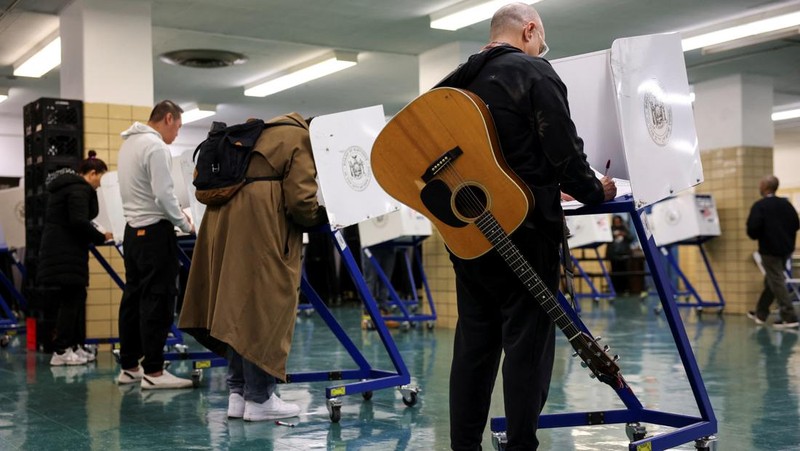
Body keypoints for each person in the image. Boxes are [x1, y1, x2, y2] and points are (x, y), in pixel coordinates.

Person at [434, 3, 617, 449]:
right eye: (542, 42)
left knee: (474, 346)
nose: (541, 50)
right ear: (529, 30)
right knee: (526, 347)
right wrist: (596, 190)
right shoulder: (534, 72)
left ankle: (464, 446)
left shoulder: (454, 83)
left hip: (470, 235)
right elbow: (563, 149)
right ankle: (520, 445)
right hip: (525, 231)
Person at [179, 113, 327, 421]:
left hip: (224, 226)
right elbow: (301, 201)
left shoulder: (260, 133)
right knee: (262, 309)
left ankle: (238, 394)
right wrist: (322, 216)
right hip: (261, 227)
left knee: (235, 310)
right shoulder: (299, 138)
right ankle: (260, 399)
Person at [116, 100, 195, 389]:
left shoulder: (128, 145)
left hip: (132, 233)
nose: (177, 134)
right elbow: (164, 195)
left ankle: (129, 367)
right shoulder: (156, 146)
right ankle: (154, 371)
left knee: (134, 299)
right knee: (158, 300)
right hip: (154, 233)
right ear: (169, 118)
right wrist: (185, 224)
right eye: (178, 127)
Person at [37, 151, 113, 366]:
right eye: (100, 178)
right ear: (92, 173)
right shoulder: (79, 189)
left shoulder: (65, 188)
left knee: (75, 297)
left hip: (60, 251)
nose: (100, 184)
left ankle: (71, 347)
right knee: (72, 299)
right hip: (66, 253)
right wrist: (101, 236)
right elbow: (79, 221)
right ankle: (61, 351)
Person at [746, 175, 800, 328]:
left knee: (776, 280)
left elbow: (753, 229)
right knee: (772, 280)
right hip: (786, 250)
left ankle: (789, 316)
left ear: (764, 187)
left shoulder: (760, 206)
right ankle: (761, 313)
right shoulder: (786, 205)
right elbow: (796, 224)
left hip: (769, 250)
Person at [607, 214, 633, 294]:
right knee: (615, 273)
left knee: (624, 273)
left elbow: (631, 238)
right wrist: (613, 236)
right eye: (616, 222)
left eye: (618, 221)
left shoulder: (625, 228)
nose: (617, 223)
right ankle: (616, 289)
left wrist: (624, 235)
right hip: (614, 255)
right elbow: (606, 239)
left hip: (624, 255)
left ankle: (625, 289)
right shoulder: (610, 229)